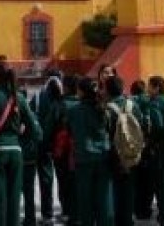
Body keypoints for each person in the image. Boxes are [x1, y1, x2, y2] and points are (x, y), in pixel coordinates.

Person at [0, 60, 36, 226]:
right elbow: (35, 128)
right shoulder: (19, 97)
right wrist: (22, 141)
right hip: (16, 151)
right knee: (14, 199)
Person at [67, 77, 112, 226]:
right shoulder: (103, 108)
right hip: (103, 156)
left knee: (85, 200)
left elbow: (69, 130)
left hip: (83, 158)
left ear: (81, 91)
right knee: (103, 198)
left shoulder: (73, 110)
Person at [105, 74, 144, 226]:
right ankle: (128, 219)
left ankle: (117, 220)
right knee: (129, 188)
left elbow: (105, 131)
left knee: (115, 188)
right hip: (132, 152)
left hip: (114, 154)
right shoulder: (132, 105)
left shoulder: (108, 108)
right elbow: (141, 125)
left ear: (108, 90)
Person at [31, 69, 64, 226]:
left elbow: (30, 118)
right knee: (66, 180)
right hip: (63, 146)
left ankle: (47, 213)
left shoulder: (38, 97)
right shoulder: (65, 97)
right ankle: (68, 211)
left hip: (43, 144)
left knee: (46, 180)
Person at [147, 75, 164, 226]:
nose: (148, 89)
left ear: (156, 87)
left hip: (159, 148)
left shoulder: (155, 104)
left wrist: (151, 140)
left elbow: (157, 125)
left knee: (161, 185)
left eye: (150, 86)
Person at [130, 79, 155, 221]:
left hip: (133, 144)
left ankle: (136, 208)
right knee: (147, 181)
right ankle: (146, 209)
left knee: (135, 179)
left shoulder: (130, 102)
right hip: (148, 145)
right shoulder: (149, 101)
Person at [18, 88, 43, 226]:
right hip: (30, 157)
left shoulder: (15, 117)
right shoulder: (32, 115)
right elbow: (40, 135)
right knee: (28, 191)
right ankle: (30, 219)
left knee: (16, 191)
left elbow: (38, 134)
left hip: (21, 157)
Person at [59, 74, 81, 225]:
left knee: (65, 182)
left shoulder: (61, 105)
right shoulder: (84, 104)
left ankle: (69, 212)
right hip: (79, 149)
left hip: (64, 150)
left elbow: (51, 126)